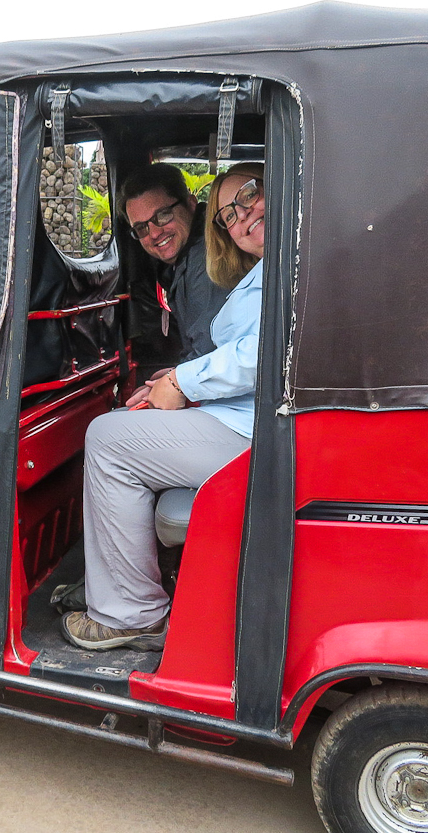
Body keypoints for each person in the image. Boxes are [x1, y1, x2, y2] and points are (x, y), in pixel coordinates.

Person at [60, 163, 266, 652]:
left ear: (188, 208)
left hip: (261, 430)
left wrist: (182, 383)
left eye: (253, 196)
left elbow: (266, 351)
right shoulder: (261, 265)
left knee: (108, 439)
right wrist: (176, 384)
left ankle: (130, 612)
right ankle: (113, 584)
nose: (243, 217)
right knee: (127, 421)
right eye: (231, 214)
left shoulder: (228, 268)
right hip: (250, 416)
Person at [118, 163, 233, 370]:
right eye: (141, 228)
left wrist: (176, 382)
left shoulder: (207, 258)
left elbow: (207, 355)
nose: (154, 233)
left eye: (162, 215)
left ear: (191, 204)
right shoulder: (183, 260)